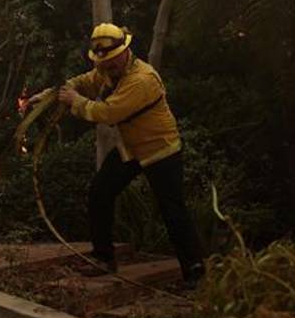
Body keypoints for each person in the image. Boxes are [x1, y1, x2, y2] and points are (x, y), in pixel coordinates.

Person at [39, 23, 205, 285]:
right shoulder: (107, 71)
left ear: (125, 52)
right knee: (100, 191)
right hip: (131, 149)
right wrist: (62, 89)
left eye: (112, 59)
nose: (107, 65)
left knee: (172, 209)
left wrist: (75, 101)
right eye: (102, 61)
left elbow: (107, 113)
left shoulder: (142, 79)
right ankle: (103, 257)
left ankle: (195, 270)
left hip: (160, 148)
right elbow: (86, 80)